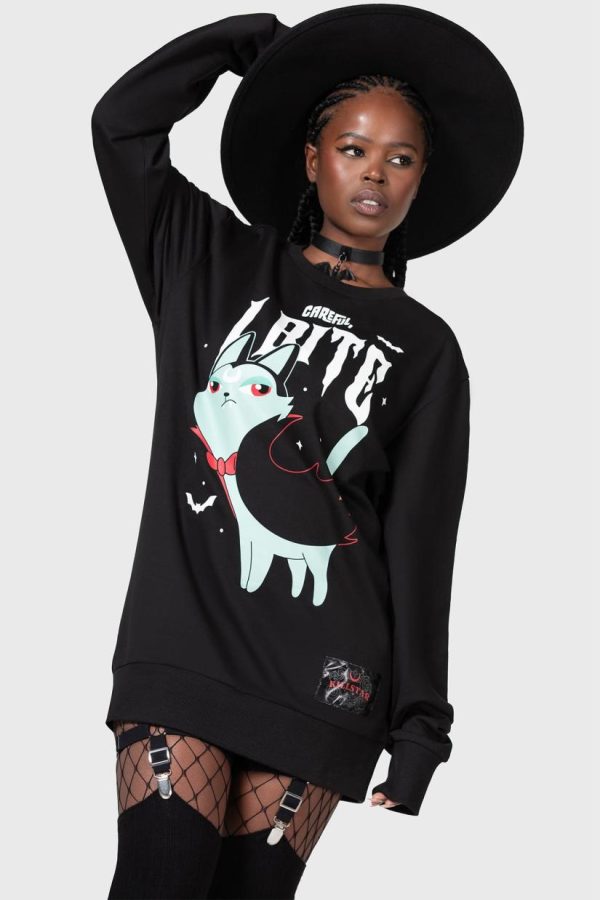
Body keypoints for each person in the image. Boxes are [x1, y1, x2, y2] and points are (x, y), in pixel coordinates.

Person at [91, 5, 524, 898]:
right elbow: (120, 126)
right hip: (185, 644)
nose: (375, 174)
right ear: (312, 157)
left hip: (326, 670)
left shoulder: (429, 349)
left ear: (421, 180)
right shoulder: (209, 259)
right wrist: (243, 47)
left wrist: (421, 729)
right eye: (354, 147)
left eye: (400, 158)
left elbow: (420, 544)